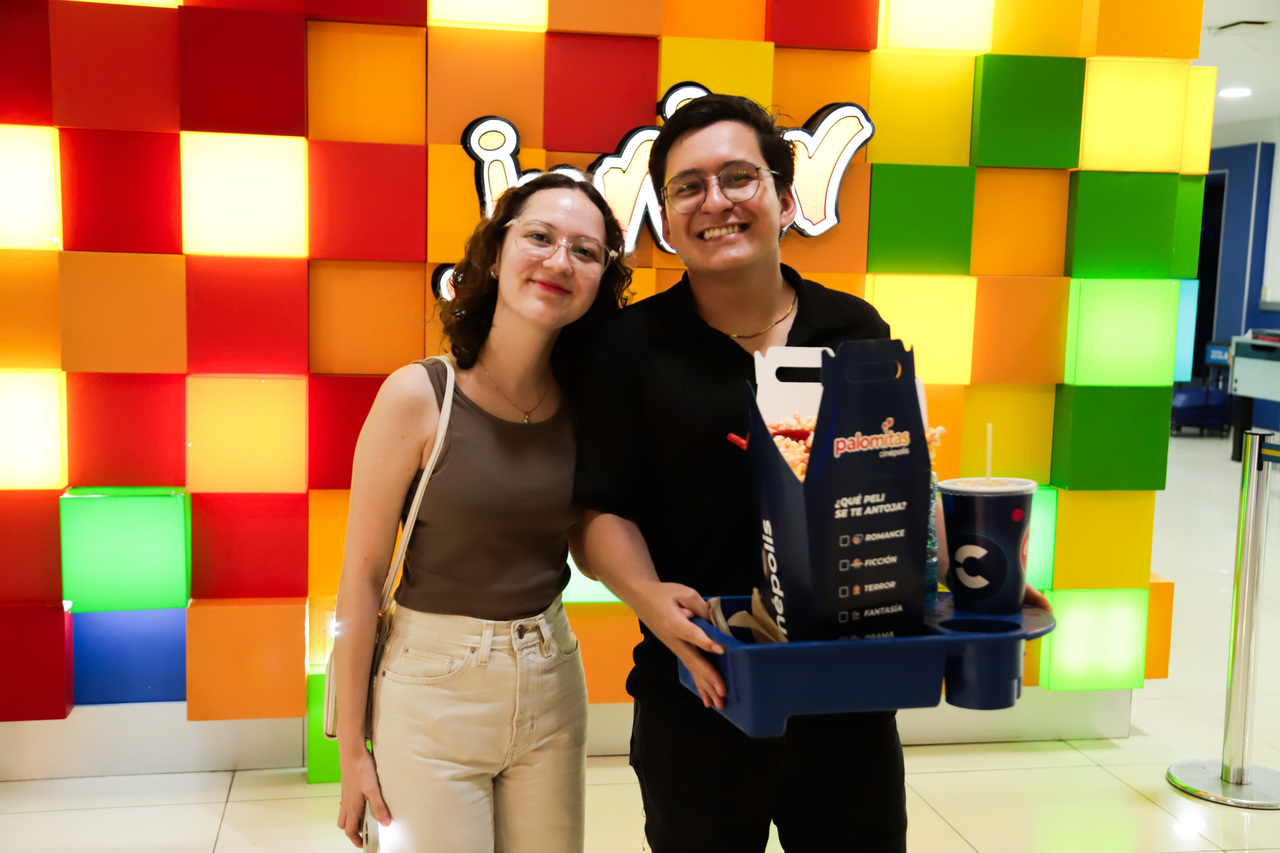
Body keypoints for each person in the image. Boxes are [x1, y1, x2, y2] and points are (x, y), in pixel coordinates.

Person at [573, 94, 1051, 852]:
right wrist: (650, 600)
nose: (715, 201)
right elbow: (599, 510)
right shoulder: (629, 347)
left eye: (739, 177)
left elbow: (897, 480)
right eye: (688, 187)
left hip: (847, 684)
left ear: (787, 199)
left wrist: (970, 574)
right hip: (701, 684)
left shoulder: (853, 328)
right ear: (666, 219)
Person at [331, 171, 630, 853]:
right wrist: (351, 749)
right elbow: (361, 579)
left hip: (552, 677)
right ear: (495, 254)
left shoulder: (588, 406)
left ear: (599, 282)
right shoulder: (418, 396)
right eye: (540, 237)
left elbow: (594, 538)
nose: (560, 261)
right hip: (430, 691)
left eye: (585, 251)